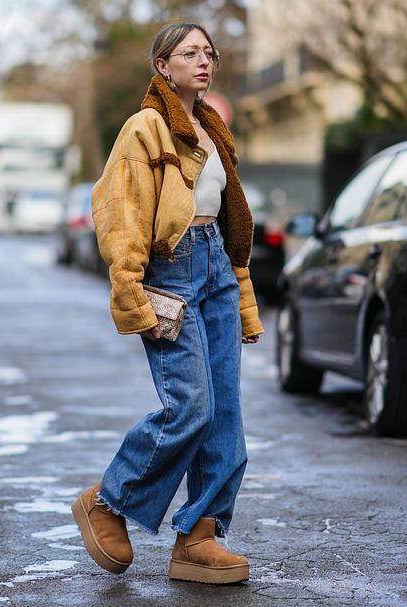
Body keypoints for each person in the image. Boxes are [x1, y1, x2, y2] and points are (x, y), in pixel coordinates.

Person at [71, 22, 264, 585]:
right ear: (163, 66)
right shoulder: (146, 129)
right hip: (170, 270)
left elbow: (231, 223)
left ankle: (198, 539)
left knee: (226, 418)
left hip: (217, 271)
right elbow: (122, 214)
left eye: (209, 53)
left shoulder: (212, 127)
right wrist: (130, 292)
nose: (203, 61)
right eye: (189, 53)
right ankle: (108, 501)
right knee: (191, 407)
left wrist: (241, 293)